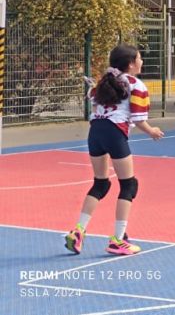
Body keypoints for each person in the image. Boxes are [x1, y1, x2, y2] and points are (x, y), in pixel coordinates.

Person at [65, 45, 165, 256]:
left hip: (95, 132)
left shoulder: (103, 82)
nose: (142, 62)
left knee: (101, 184)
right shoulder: (136, 85)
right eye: (139, 58)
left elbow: (94, 106)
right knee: (129, 185)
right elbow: (138, 119)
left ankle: (78, 231)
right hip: (114, 132)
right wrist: (152, 131)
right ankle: (118, 240)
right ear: (130, 63)